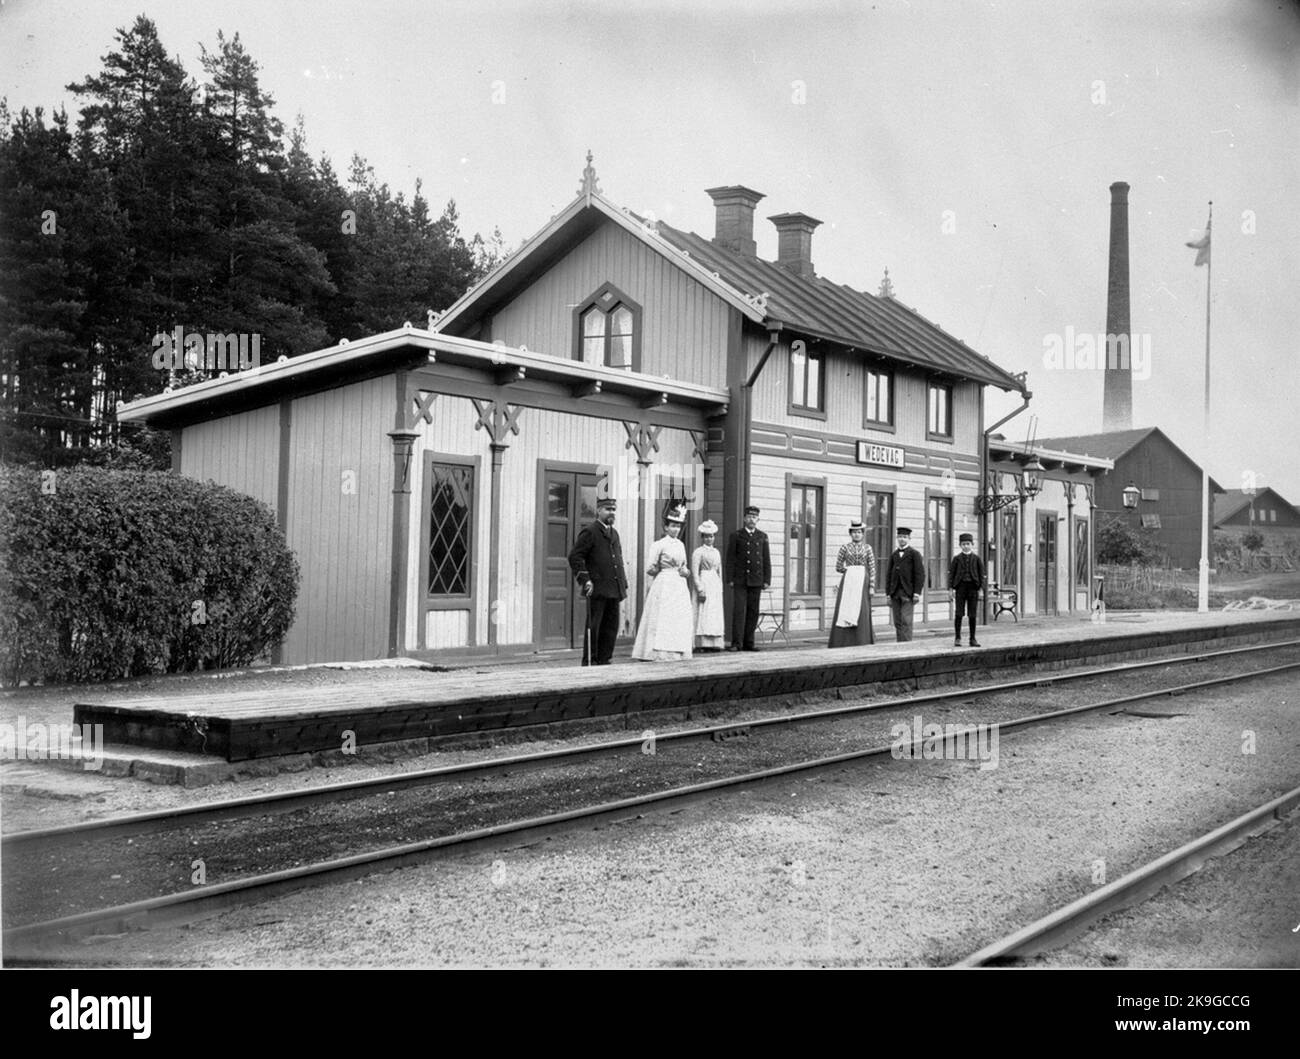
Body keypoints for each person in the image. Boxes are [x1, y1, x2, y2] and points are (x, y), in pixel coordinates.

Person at [568, 496, 628, 665]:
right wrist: (585, 580)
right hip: (597, 588)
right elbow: (575, 556)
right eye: (608, 509)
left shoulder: (614, 533)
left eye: (614, 510)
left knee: (611, 628)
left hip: (614, 588)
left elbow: (617, 559)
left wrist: (622, 583)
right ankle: (591, 661)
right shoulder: (590, 532)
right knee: (594, 627)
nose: (612, 513)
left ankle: (605, 659)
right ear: (599, 511)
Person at [631, 504, 694, 662]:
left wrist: (685, 572)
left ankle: (677, 651)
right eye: (672, 526)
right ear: (666, 527)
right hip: (664, 582)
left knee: (676, 616)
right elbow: (650, 568)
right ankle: (658, 652)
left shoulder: (681, 545)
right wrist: (661, 568)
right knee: (662, 616)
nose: (675, 529)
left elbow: (684, 566)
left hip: (679, 585)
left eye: (678, 526)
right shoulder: (658, 545)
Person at [726, 504, 771, 652]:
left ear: (758, 519)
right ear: (744, 518)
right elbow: (730, 559)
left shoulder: (762, 536)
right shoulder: (736, 535)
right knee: (739, 611)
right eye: (749, 517)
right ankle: (736, 643)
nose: (752, 519)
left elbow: (766, 559)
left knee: (753, 611)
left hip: (756, 579)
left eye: (754, 517)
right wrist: (730, 578)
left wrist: (766, 580)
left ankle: (748, 642)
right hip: (740, 579)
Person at [829, 518, 876, 647]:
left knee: (862, 609)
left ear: (862, 534)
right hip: (849, 580)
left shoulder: (867, 548)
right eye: (854, 532)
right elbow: (838, 566)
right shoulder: (845, 548)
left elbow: (872, 567)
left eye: (859, 532)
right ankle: (842, 641)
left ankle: (862, 640)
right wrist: (850, 571)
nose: (857, 534)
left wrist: (871, 586)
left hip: (863, 580)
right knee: (846, 607)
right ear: (850, 533)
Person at [884, 526, 925, 642]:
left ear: (909, 538)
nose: (902, 539)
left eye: (905, 537)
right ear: (897, 538)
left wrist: (917, 593)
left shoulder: (914, 554)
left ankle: (907, 646)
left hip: (908, 593)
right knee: (897, 621)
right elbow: (888, 575)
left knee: (906, 621)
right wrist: (888, 594)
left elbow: (920, 575)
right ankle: (899, 645)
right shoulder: (894, 555)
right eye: (900, 537)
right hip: (895, 592)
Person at [691, 520, 725, 651]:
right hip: (704, 580)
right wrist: (699, 588)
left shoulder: (716, 552)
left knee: (713, 612)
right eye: (706, 536)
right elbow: (695, 571)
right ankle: (701, 643)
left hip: (714, 583)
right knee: (703, 611)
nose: (709, 539)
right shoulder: (698, 552)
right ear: (702, 538)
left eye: (711, 536)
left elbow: (719, 570)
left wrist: (720, 586)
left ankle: (715, 643)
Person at [949, 531, 986, 647]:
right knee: (959, 613)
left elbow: (982, 575)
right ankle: (957, 637)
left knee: (972, 614)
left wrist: (981, 589)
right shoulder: (956, 559)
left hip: (973, 588)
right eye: (963, 544)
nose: (966, 546)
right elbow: (951, 575)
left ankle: (972, 638)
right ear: (960, 545)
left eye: (968, 544)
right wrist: (951, 589)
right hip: (960, 588)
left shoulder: (977, 559)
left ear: (972, 544)